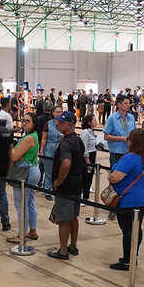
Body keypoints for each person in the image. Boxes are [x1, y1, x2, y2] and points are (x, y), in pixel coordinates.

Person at [107, 129, 144, 270]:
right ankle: (133, 256)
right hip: (142, 196)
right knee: (136, 228)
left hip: (128, 199)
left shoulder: (130, 157)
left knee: (127, 230)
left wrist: (110, 175)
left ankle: (127, 261)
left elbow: (115, 177)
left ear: (131, 141)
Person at [46, 111, 85, 259]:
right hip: (77, 184)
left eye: (61, 123)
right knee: (73, 217)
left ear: (69, 125)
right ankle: (73, 246)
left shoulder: (66, 143)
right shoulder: (78, 140)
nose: (58, 125)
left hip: (67, 186)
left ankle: (62, 251)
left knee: (63, 219)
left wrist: (58, 181)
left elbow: (66, 163)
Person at [7, 112, 40, 244]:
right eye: (23, 120)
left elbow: (14, 157)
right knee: (30, 202)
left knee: (21, 205)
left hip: (25, 173)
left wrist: (10, 145)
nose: (24, 123)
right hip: (32, 170)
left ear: (34, 123)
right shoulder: (33, 136)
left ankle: (21, 235)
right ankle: (32, 231)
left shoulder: (28, 138)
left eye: (27, 121)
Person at [104, 96, 135, 220]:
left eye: (129, 103)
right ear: (118, 105)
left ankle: (125, 206)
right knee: (115, 181)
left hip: (130, 153)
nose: (128, 105)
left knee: (128, 180)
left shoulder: (131, 117)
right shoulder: (112, 118)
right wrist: (122, 139)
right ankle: (112, 207)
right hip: (117, 153)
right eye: (125, 103)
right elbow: (106, 136)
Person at [40, 107, 64, 199]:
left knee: (58, 171)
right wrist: (41, 151)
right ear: (53, 113)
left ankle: (55, 188)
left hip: (61, 149)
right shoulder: (48, 124)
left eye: (60, 112)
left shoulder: (63, 124)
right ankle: (48, 190)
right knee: (49, 171)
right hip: (49, 148)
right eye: (57, 112)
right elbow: (44, 138)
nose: (59, 114)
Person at [80, 113, 98, 203]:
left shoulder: (92, 131)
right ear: (89, 122)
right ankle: (82, 197)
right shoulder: (85, 132)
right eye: (94, 120)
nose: (96, 122)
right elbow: (84, 147)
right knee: (85, 177)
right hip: (87, 158)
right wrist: (87, 161)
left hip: (93, 155)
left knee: (89, 177)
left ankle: (86, 196)